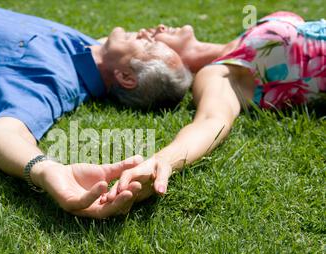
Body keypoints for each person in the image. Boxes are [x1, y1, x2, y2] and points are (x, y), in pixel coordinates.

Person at [0, 5, 193, 218]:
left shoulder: (53, 79)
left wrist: (45, 170)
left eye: (151, 45)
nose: (153, 31)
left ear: (125, 77)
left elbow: (5, 131)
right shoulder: (88, 48)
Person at [101, 11, 325, 204]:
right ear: (165, 64)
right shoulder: (219, 73)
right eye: (149, 40)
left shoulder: (238, 42)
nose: (157, 27)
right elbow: (211, 121)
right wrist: (162, 160)